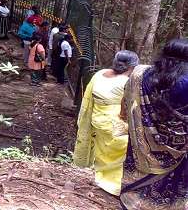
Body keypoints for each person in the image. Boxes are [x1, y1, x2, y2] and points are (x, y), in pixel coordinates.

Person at [120, 38, 188, 209]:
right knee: (170, 186)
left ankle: (131, 203)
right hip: (178, 149)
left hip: (142, 139)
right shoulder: (185, 83)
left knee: (136, 179)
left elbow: (127, 101)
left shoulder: (140, 74)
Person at [73, 50, 140, 196]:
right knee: (120, 155)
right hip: (116, 123)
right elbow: (133, 106)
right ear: (131, 67)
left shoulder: (99, 74)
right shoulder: (127, 82)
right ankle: (114, 186)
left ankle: (102, 179)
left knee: (102, 152)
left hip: (97, 120)